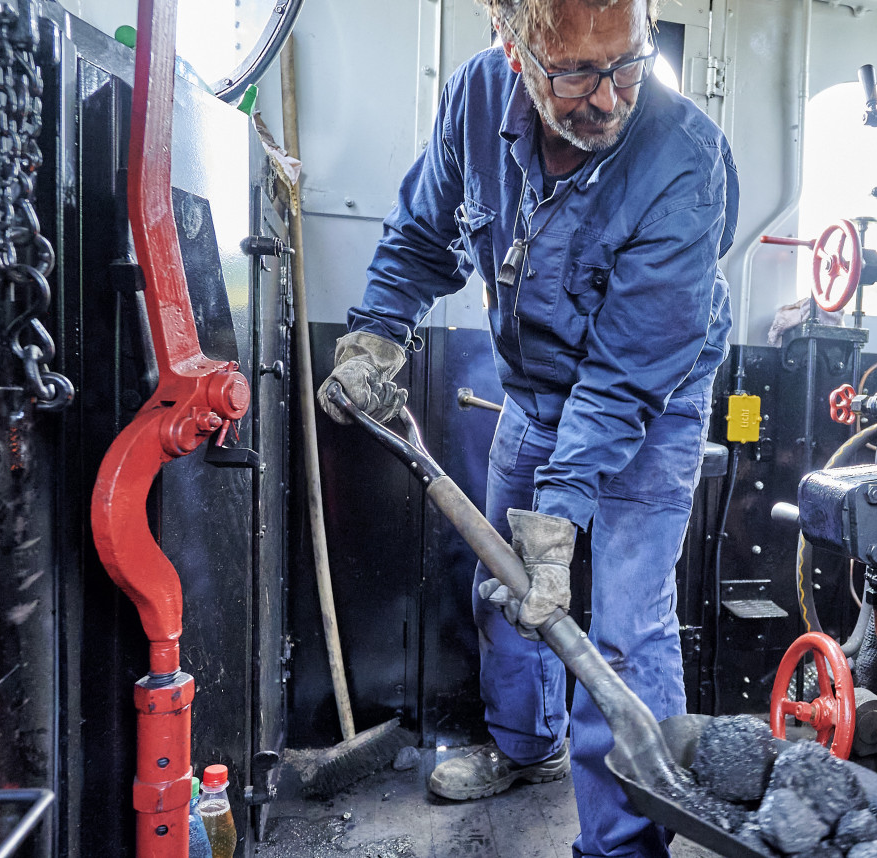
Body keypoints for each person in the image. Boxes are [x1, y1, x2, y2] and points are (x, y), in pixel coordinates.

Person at [316, 0, 737, 850]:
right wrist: (376, 333)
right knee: (507, 586)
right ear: (514, 52)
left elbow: (625, 376)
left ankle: (625, 843)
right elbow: (422, 235)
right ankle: (527, 746)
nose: (612, 98)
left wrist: (564, 510)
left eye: (628, 63)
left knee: (624, 627)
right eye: (578, 73)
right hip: (536, 393)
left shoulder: (686, 160)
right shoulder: (474, 100)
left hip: (651, 406)